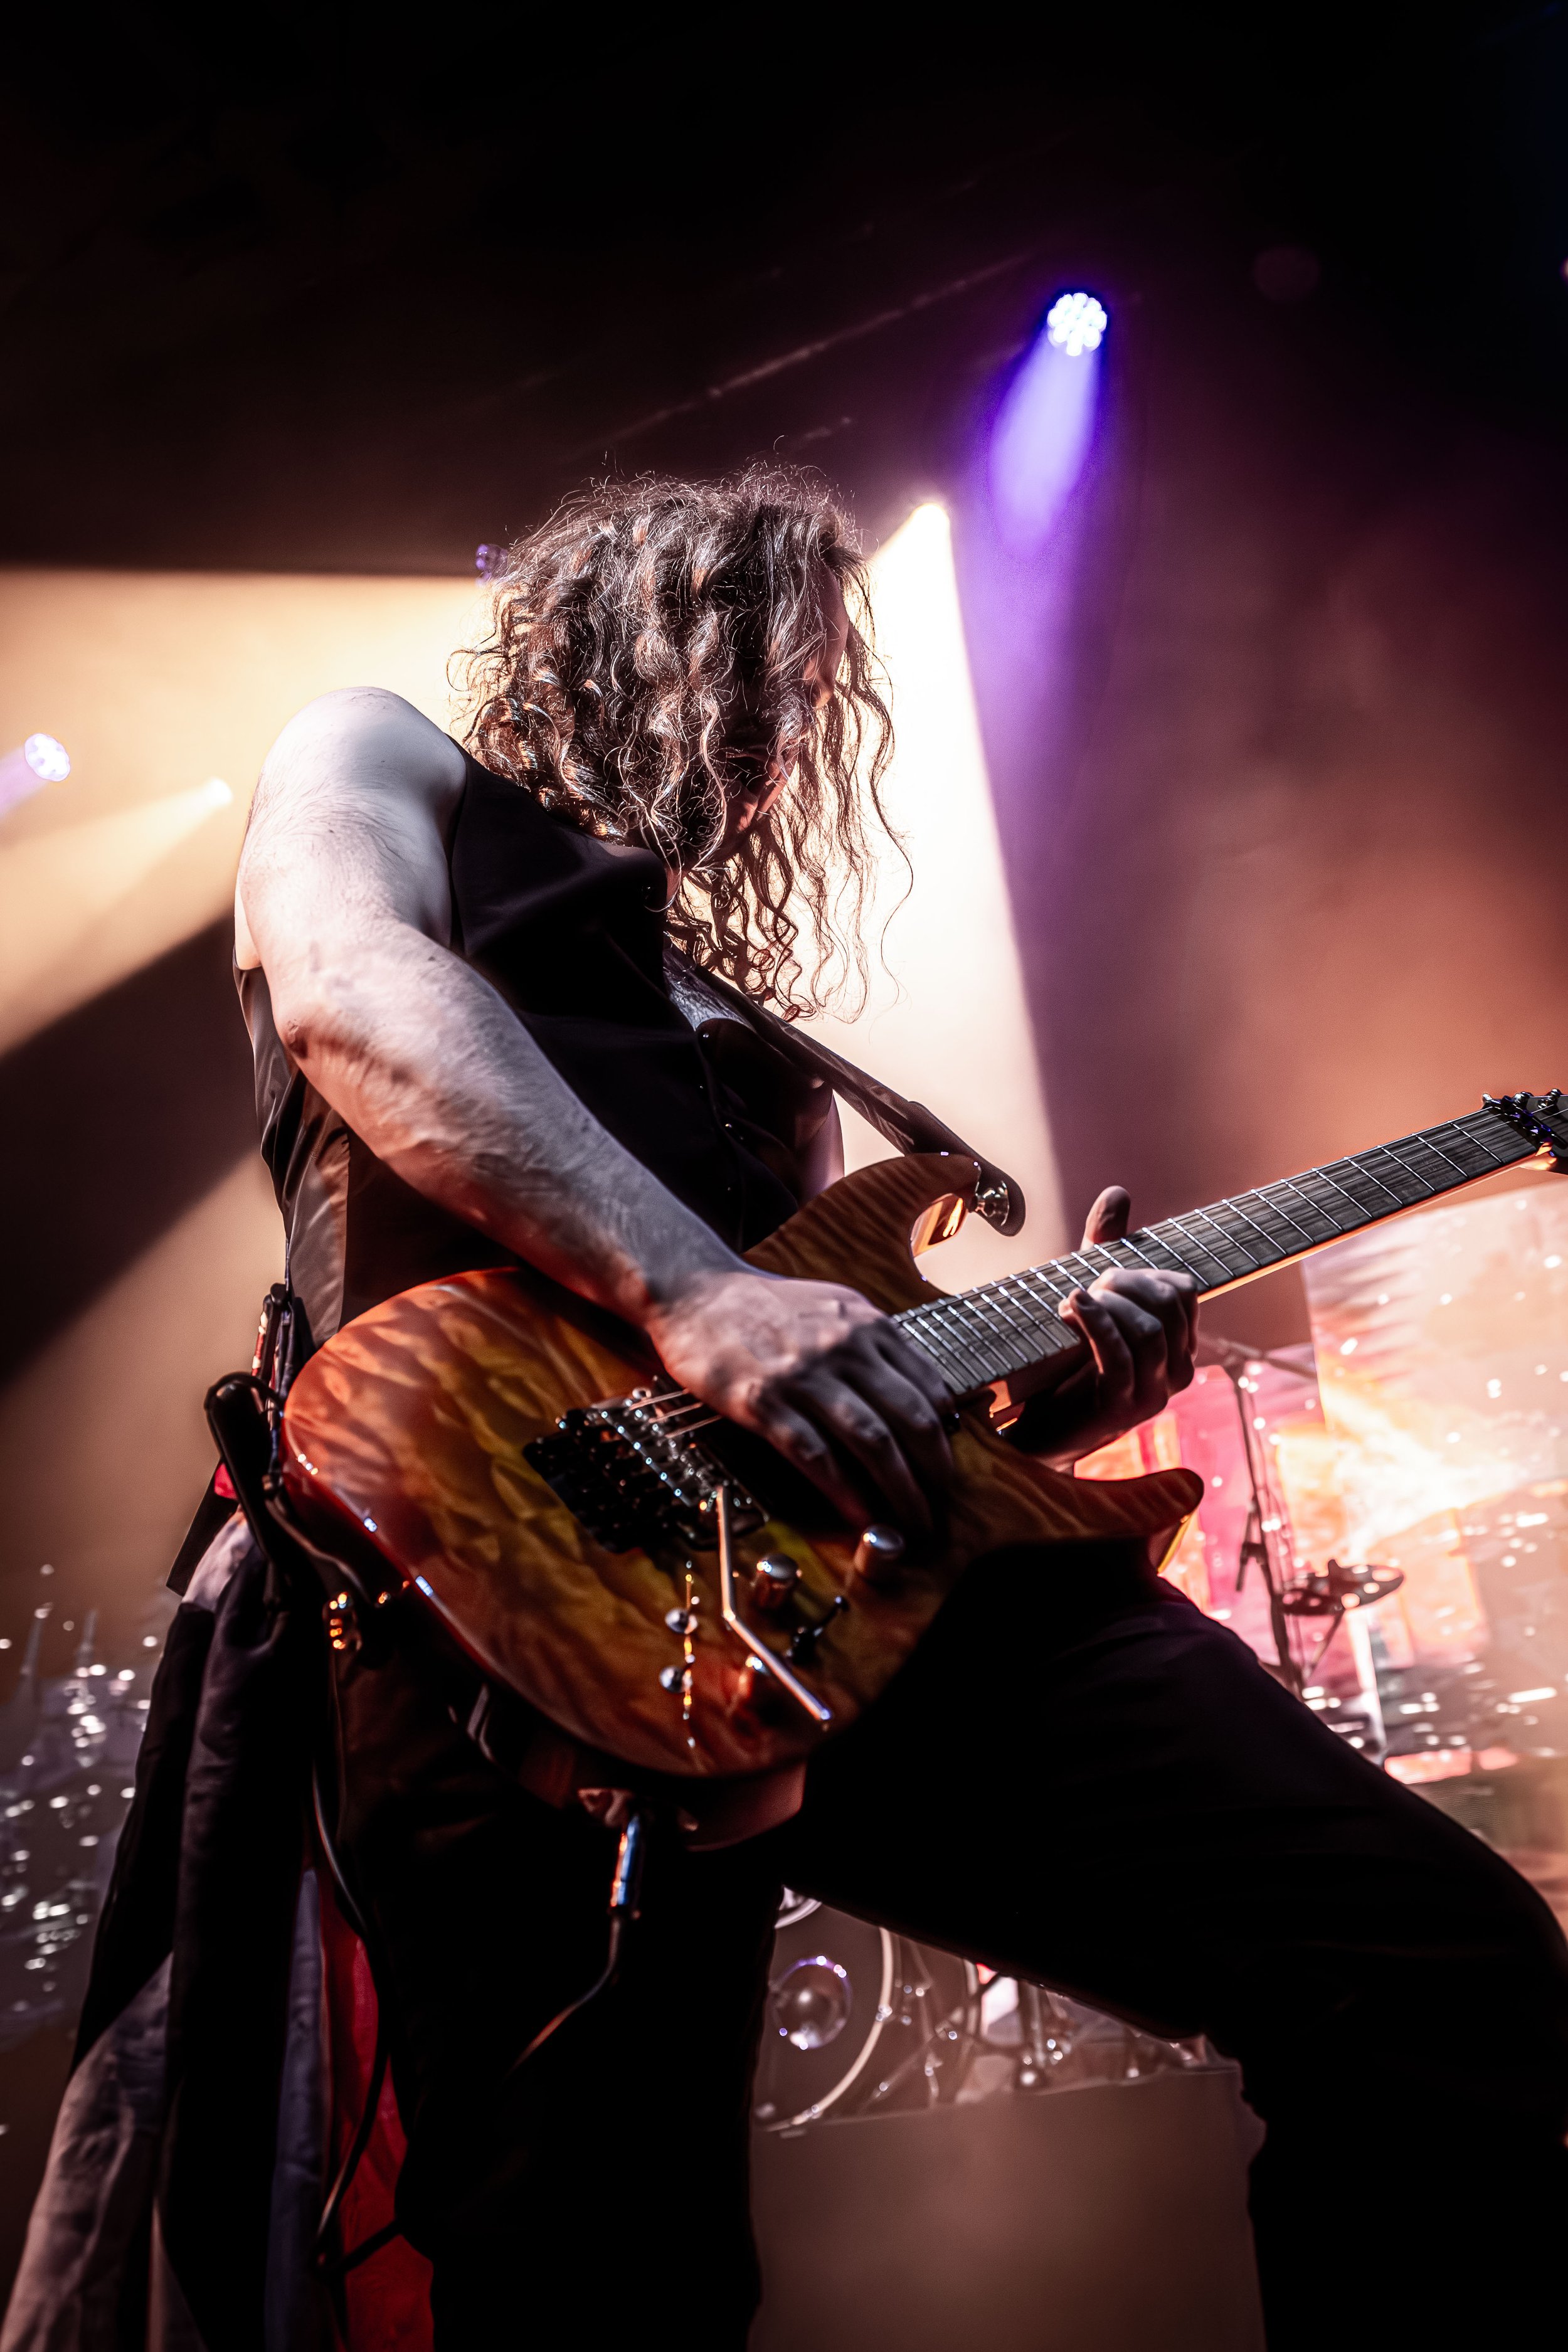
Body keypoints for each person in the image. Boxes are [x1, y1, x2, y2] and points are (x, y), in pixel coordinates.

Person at [230, 470, 1568, 2346]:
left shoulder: (753, 1032)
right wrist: (694, 1289)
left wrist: (1048, 1410)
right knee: (606, 2270)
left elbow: (804, 1372)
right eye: (756, 676)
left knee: (1431, 1968)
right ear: (627, 632)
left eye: (808, 706)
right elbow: (350, 992)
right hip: (494, 1563)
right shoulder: (381, 758)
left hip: (859, 1585)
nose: (780, 742)